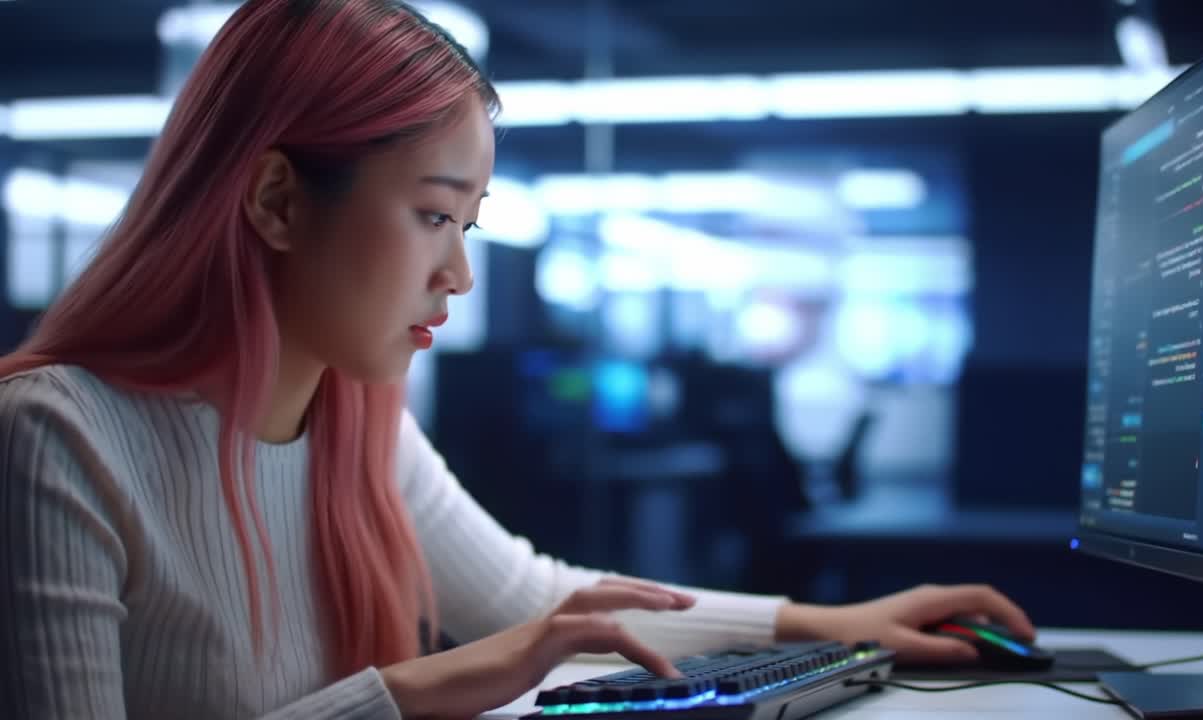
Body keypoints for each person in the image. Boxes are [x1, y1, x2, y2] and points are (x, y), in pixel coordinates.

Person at [0, 1, 1036, 718]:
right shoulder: (57, 439)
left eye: (469, 224)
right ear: (275, 201)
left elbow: (533, 599)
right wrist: (408, 693)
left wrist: (833, 626)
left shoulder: (356, 425)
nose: (456, 274)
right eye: (431, 215)